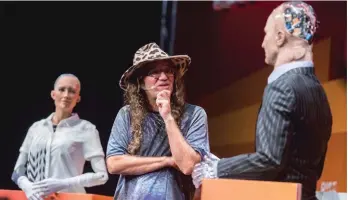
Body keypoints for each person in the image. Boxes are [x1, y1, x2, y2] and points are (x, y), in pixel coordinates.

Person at [192, 2, 332, 200]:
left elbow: (269, 160)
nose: (262, 43)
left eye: (266, 34)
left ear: (280, 37)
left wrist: (216, 168)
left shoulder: (282, 87)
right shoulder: (318, 91)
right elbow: (314, 166)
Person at [106, 42, 210, 200]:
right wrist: (166, 161)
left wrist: (168, 116)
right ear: (141, 82)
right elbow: (114, 163)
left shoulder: (195, 114)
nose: (163, 77)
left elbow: (188, 165)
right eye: (154, 72)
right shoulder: (127, 114)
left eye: (168, 71)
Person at [12, 74, 108, 200]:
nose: (66, 95)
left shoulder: (86, 129)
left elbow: (102, 176)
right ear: (53, 94)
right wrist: (27, 186)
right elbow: (17, 171)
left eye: (72, 91)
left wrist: (63, 183)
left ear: (78, 98)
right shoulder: (36, 128)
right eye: (62, 89)